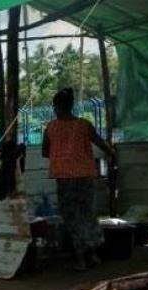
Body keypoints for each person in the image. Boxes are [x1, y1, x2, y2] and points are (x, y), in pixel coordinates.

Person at [42, 88, 115, 271]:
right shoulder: (84, 124)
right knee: (87, 214)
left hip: (65, 177)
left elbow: (45, 152)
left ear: (57, 106)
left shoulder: (51, 127)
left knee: (72, 217)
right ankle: (92, 254)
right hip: (85, 175)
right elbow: (101, 144)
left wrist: (60, 151)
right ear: (71, 105)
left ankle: (81, 258)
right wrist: (113, 153)